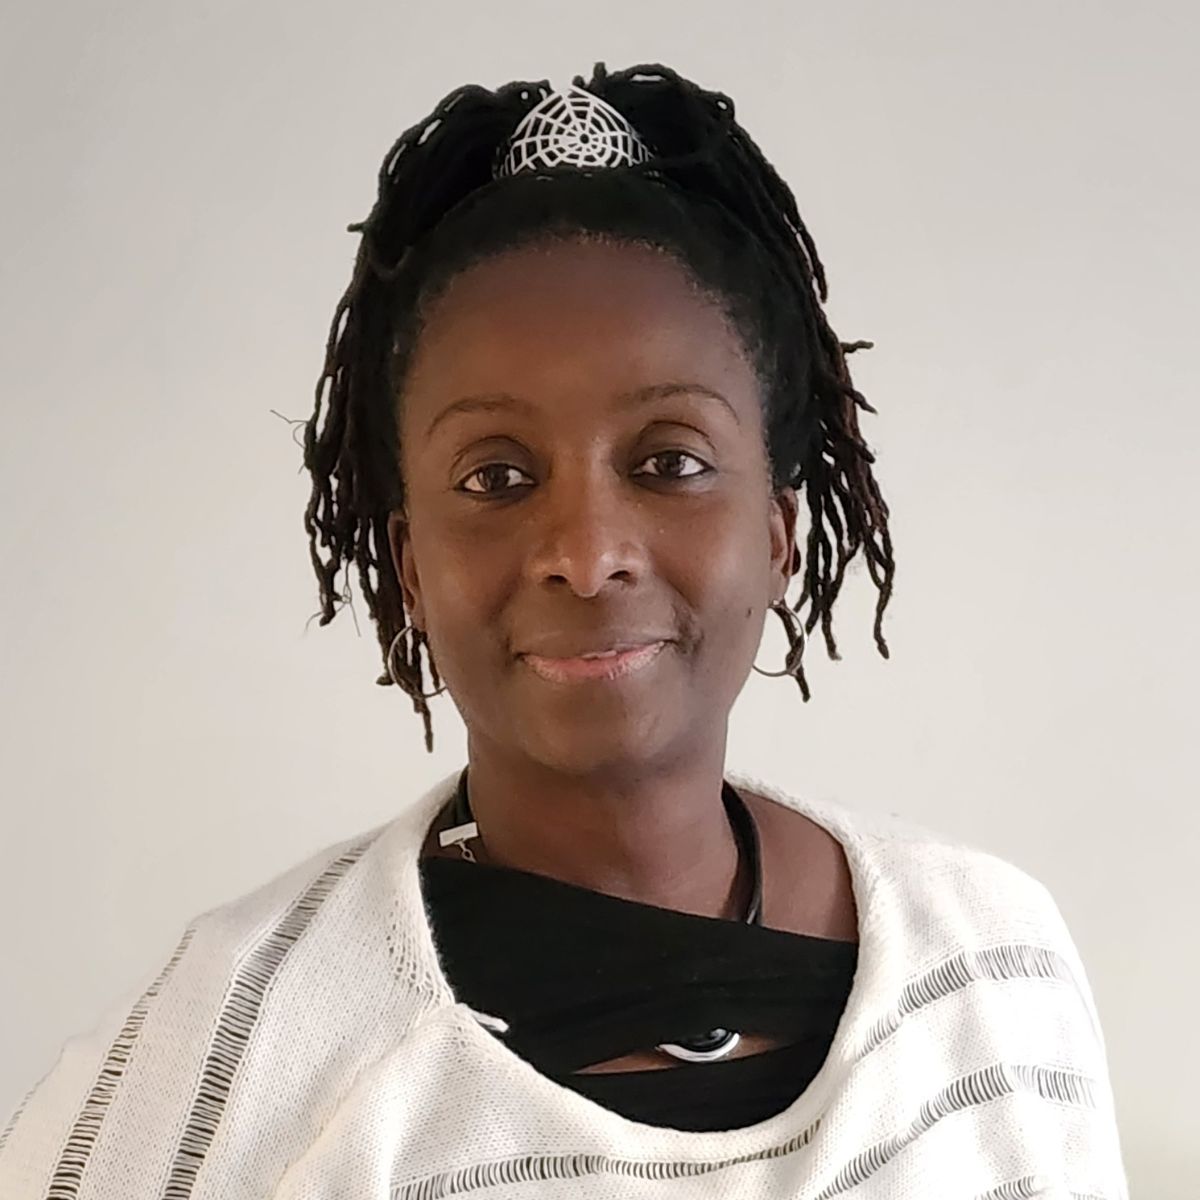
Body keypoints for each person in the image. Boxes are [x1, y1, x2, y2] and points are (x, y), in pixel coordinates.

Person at [0, 62, 1128, 1199]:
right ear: (410, 565)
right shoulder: (234, 1058)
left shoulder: (993, 968)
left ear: (778, 533)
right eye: (496, 477)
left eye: (670, 462)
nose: (587, 555)